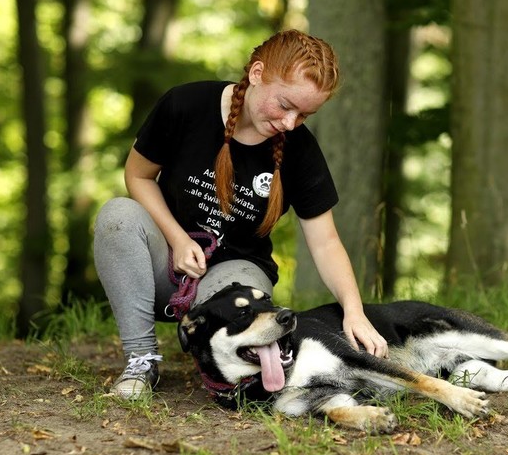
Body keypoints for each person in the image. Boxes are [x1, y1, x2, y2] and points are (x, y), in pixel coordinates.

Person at [93, 29, 388, 400]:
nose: (290, 123)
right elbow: (137, 176)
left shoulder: (300, 150)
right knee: (117, 215)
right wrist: (178, 239)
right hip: (164, 264)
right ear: (256, 74)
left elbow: (326, 242)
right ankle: (142, 361)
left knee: (237, 340)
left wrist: (354, 310)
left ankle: (230, 368)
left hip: (236, 276)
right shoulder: (185, 105)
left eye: (304, 114)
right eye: (284, 105)